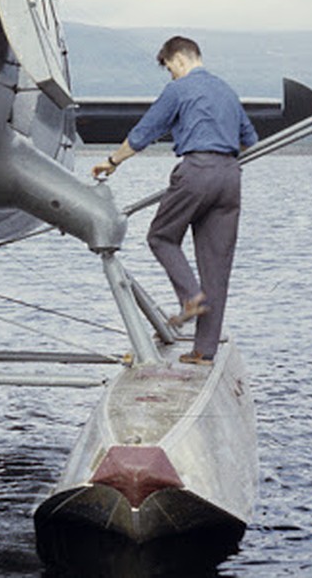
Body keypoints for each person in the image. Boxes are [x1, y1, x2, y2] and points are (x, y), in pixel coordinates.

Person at [92, 36, 257, 366]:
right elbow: (249, 141)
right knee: (217, 264)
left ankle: (190, 297)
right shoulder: (227, 90)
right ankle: (203, 351)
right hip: (230, 176)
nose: (171, 75)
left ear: (179, 60)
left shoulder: (178, 90)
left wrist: (112, 162)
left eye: (169, 69)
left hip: (196, 170)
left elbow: (144, 133)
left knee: (161, 236)